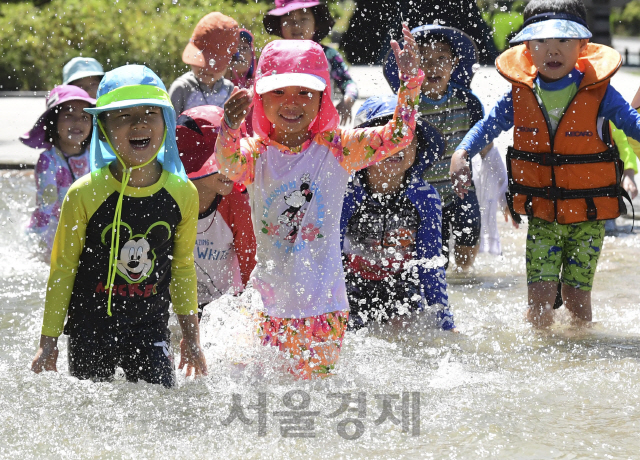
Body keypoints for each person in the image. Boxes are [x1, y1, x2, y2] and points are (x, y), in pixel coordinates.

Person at [216, 25, 423, 379]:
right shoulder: (257, 155)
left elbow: (400, 137)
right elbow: (227, 163)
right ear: (260, 99)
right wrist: (229, 127)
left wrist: (410, 85)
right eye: (278, 91)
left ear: (322, 97)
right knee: (264, 395)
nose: (291, 102)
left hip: (324, 308)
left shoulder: (338, 148)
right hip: (268, 305)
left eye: (304, 92)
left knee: (314, 397)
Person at [450, 0, 640, 328]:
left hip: (589, 219)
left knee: (578, 300)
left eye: (563, 41)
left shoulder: (601, 93)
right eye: (541, 42)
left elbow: (633, 123)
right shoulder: (519, 94)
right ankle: (539, 354)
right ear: (527, 49)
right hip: (543, 217)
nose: (552, 50)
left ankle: (577, 356)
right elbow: (487, 127)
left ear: (582, 46)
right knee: (538, 302)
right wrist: (462, 152)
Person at [30, 65, 207, 386]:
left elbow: (182, 269)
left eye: (150, 112)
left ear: (166, 122)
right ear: (103, 126)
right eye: (123, 115)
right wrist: (48, 341)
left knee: (159, 410)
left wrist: (191, 338)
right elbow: (63, 269)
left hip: (150, 328)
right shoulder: (84, 194)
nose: (139, 122)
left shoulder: (183, 194)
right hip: (89, 329)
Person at [340, 96, 454, 331]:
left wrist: (445, 322)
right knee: (348, 328)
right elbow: (328, 254)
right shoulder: (346, 192)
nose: (396, 145)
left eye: (405, 137)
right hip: (351, 281)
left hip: (401, 282)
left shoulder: (425, 197)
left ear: (417, 147)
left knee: (403, 327)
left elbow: (430, 263)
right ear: (362, 146)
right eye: (386, 137)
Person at [384, 25, 485, 270]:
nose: (433, 66)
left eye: (442, 58)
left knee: (468, 239)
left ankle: (465, 277)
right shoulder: (408, 105)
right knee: (434, 258)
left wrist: (500, 181)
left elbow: (484, 141)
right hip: (423, 194)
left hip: (461, 189)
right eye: (424, 59)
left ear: (454, 63)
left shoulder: (467, 102)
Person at [176, 105, 256, 318]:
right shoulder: (172, 201)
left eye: (233, 159)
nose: (230, 170)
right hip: (177, 308)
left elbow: (252, 272)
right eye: (220, 161)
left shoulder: (237, 206)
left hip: (222, 312)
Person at [19, 85, 94, 256]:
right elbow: (47, 205)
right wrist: (43, 246)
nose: (77, 122)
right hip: (52, 232)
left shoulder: (95, 155)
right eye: (69, 115)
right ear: (53, 121)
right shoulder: (49, 161)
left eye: (85, 116)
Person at [263, 0, 359, 125]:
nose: (296, 25)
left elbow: (348, 83)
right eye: (289, 18)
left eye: (303, 18)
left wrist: (347, 101)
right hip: (284, 125)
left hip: (321, 127)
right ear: (280, 25)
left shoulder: (328, 55)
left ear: (316, 24)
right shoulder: (273, 57)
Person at [169, 12, 238, 118]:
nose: (206, 68)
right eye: (202, 60)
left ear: (230, 62)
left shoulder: (229, 90)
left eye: (213, 63)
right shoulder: (182, 88)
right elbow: (169, 126)